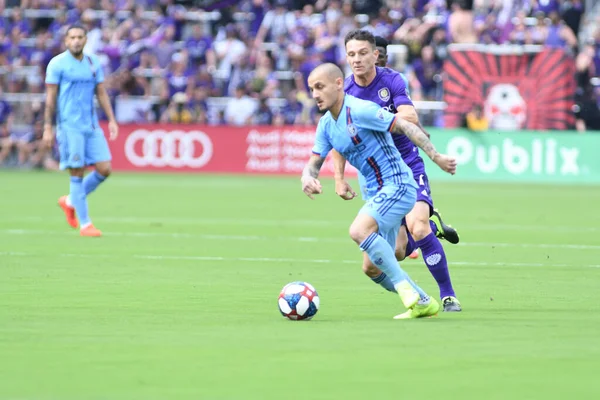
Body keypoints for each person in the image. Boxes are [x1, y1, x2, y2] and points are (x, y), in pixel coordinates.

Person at [301, 63, 457, 319]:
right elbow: (314, 163)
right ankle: (424, 303)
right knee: (372, 267)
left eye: (320, 87)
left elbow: (405, 126)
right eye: (311, 89)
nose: (315, 94)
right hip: (377, 193)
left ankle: (406, 288)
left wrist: (435, 156)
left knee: (358, 230)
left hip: (398, 184)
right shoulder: (326, 125)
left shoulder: (361, 110)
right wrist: (307, 178)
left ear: (338, 84)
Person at [333, 30, 462, 312]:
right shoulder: (345, 94)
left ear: (375, 55)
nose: (357, 60)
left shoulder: (392, 80)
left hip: (406, 162)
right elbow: (338, 137)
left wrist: (375, 120)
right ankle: (421, 242)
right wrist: (339, 178)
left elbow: (410, 117)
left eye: (363, 53)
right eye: (351, 55)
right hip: (378, 176)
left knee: (418, 224)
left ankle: (448, 295)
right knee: (396, 252)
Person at [43, 25, 119, 237]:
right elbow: (50, 99)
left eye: (80, 37)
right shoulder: (57, 64)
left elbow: (101, 93)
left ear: (86, 40)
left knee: (104, 169)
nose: (76, 41)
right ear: (66, 41)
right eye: (72, 38)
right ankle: (86, 225)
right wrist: (48, 127)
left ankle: (69, 201)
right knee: (77, 171)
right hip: (69, 126)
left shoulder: (93, 63)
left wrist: (111, 119)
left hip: (91, 125)